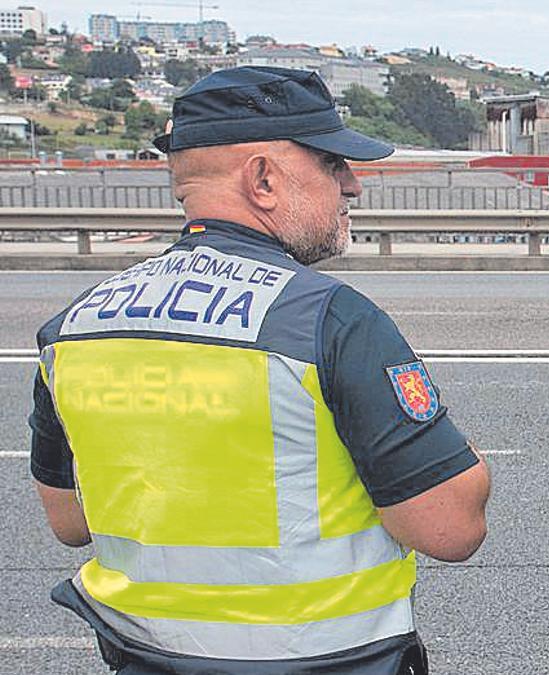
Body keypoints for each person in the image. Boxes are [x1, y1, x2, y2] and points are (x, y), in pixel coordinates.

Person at [27, 66, 491, 675]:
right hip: (324, 660)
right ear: (263, 178)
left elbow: (70, 521)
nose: (351, 185)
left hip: (145, 658)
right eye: (331, 163)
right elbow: (449, 528)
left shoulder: (75, 328)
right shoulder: (329, 319)